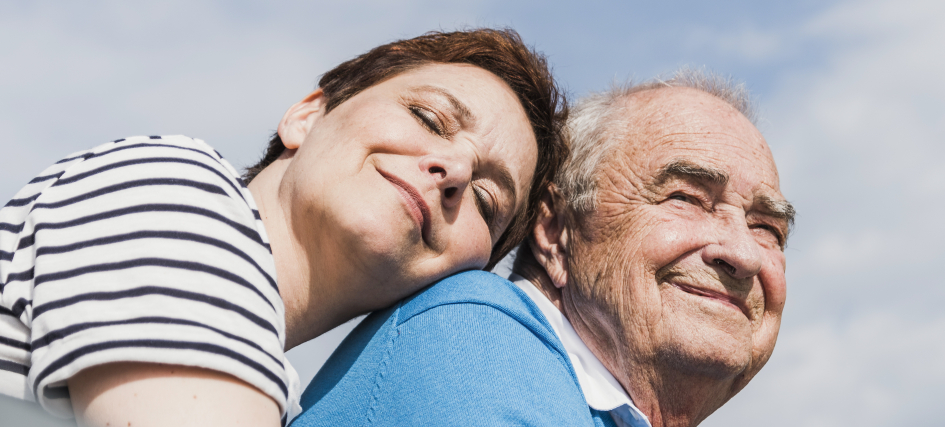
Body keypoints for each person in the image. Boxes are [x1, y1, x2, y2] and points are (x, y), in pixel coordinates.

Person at [0, 28, 567, 426]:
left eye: (487, 201)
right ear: (308, 115)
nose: (456, 171)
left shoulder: (275, 396)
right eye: (429, 117)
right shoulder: (174, 188)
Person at [293, 69, 793, 427]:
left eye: (768, 228)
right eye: (685, 198)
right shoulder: (475, 339)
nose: (743, 254)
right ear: (554, 229)